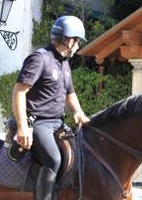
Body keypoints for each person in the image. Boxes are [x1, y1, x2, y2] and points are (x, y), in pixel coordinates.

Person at [12, 15, 90, 200]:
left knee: (79, 153)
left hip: (57, 122)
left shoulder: (64, 63)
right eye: (77, 41)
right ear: (68, 40)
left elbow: (70, 93)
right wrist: (22, 126)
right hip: (38, 123)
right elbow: (19, 91)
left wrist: (78, 112)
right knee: (53, 160)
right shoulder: (40, 59)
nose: (78, 46)